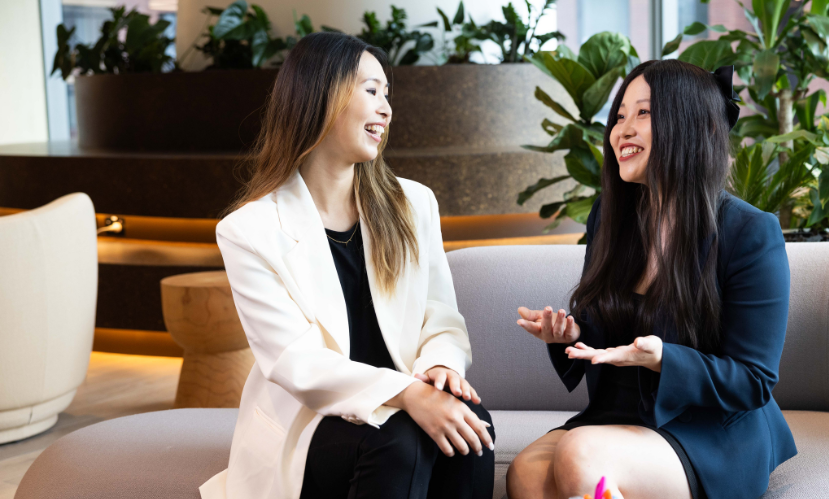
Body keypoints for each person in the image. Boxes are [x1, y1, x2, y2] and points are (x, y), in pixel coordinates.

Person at [198, 32, 494, 499]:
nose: (387, 109)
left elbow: (441, 315)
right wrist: (409, 395)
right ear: (321, 95)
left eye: (387, 95)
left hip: (402, 399)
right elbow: (295, 363)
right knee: (397, 441)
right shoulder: (248, 230)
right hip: (314, 417)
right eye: (371, 91)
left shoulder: (414, 204)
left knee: (469, 429)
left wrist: (438, 369)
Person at [508, 59, 797, 499]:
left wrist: (665, 358)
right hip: (621, 414)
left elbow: (753, 379)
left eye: (643, 113)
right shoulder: (611, 217)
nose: (622, 130)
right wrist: (571, 332)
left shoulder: (750, 232)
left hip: (709, 428)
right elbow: (608, 330)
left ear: (688, 124)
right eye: (620, 115)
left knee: (581, 455)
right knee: (526, 472)